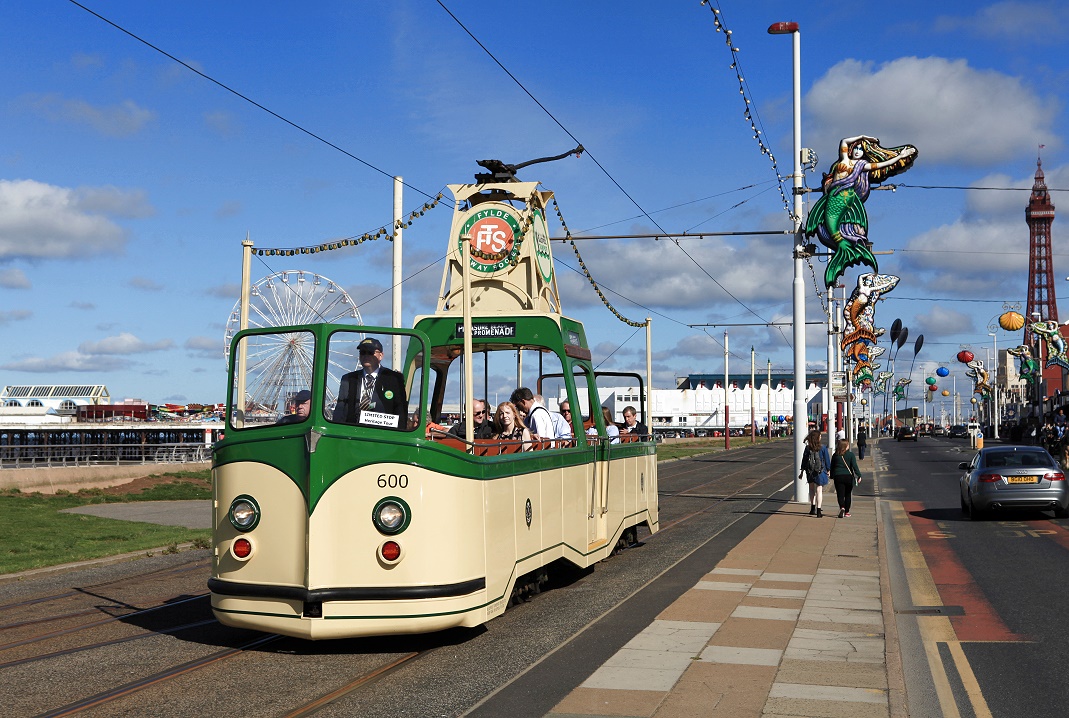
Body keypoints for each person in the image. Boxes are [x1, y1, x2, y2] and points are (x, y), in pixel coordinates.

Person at [805, 134, 917, 287]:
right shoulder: (843, 160)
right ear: (851, 150)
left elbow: (882, 165)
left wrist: (901, 156)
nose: (857, 151)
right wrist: (865, 137)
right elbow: (843, 141)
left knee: (838, 218)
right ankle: (841, 243)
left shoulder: (862, 165)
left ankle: (845, 244)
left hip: (847, 198)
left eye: (861, 149)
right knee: (826, 219)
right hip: (834, 196)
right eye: (856, 148)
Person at [333, 337, 408, 428]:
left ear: (381, 355)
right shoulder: (348, 379)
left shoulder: (393, 379)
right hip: (353, 434)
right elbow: (340, 411)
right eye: (363, 352)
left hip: (382, 435)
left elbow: (401, 412)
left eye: (370, 352)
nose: (366, 356)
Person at [799, 430, 831, 518]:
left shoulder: (808, 448)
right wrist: (829, 469)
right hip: (820, 471)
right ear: (818, 438)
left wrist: (802, 470)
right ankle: (819, 510)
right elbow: (827, 460)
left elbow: (804, 460)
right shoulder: (823, 448)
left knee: (811, 489)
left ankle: (812, 508)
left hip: (810, 471)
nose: (821, 437)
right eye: (820, 436)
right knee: (819, 490)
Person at [830, 439, 863, 518]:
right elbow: (854, 466)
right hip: (848, 476)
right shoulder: (851, 455)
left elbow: (832, 467)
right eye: (848, 445)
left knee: (840, 494)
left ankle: (842, 507)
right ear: (845, 446)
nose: (848, 446)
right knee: (848, 494)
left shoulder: (835, 455)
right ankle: (847, 512)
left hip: (838, 476)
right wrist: (859, 475)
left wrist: (832, 476)